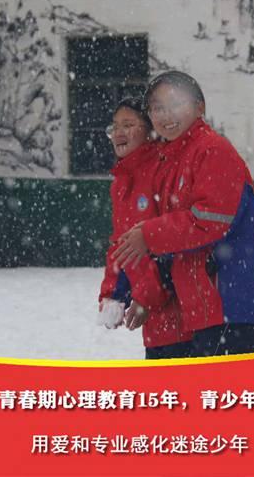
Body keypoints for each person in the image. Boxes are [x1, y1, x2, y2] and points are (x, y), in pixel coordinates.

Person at [113, 71, 254, 357]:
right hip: (208, 310)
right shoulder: (173, 159)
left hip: (233, 306)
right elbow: (171, 247)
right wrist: (140, 293)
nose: (166, 115)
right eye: (157, 108)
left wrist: (148, 235)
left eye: (176, 104)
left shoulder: (213, 150)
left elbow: (209, 221)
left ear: (199, 107)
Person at [98, 97, 191, 359]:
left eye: (128, 125)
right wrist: (113, 294)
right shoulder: (122, 181)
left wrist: (146, 297)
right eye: (115, 126)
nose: (119, 133)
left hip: (183, 310)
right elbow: (121, 245)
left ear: (150, 130)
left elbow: (173, 243)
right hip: (153, 316)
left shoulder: (163, 170)